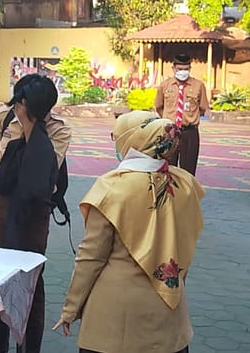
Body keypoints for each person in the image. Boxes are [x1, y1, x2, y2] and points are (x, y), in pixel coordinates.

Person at [52, 110, 204, 353]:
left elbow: (91, 257)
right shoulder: (184, 184)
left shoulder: (112, 188)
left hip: (115, 315)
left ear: (132, 140)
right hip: (168, 313)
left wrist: (71, 309)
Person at [0, 73, 71, 353]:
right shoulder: (5, 117)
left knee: (30, 280)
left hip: (34, 210)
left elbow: (41, 174)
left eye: (21, 104)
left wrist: (31, 124)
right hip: (3, 204)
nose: (16, 106)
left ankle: (28, 346)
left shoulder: (58, 130)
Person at [154, 53, 209, 175]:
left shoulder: (198, 86)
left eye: (186, 69)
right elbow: (159, 106)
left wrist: (189, 118)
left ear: (190, 69)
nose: (183, 72)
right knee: (168, 169)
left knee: (188, 170)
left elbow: (202, 108)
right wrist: (169, 120)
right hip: (169, 132)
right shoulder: (164, 85)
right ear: (173, 68)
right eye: (180, 69)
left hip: (189, 133)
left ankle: (186, 188)